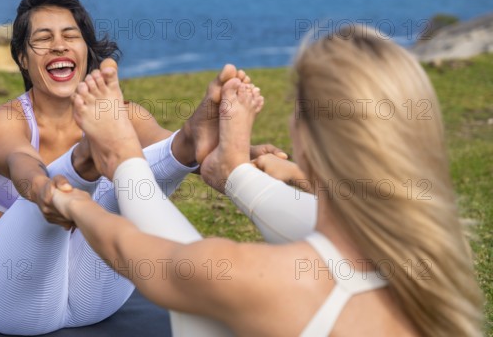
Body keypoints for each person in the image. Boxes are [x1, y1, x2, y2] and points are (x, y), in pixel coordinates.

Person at [51, 27, 484, 336]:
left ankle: (146, 167)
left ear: (308, 143)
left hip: (238, 283)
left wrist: (101, 178)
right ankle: (233, 172)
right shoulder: (440, 248)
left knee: (202, 302)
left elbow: (143, 256)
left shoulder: (267, 283)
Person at [0, 0, 288, 335]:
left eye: (70, 36)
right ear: (23, 59)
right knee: (65, 186)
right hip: (14, 296)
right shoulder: (6, 120)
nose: (58, 44)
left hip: (97, 296)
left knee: (134, 170)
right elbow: (19, 160)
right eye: (42, 38)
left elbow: (158, 148)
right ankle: (83, 162)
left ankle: (187, 141)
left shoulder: (121, 115)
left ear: (86, 50)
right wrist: (45, 189)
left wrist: (246, 153)